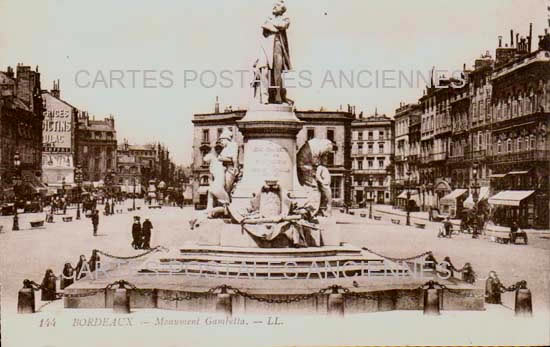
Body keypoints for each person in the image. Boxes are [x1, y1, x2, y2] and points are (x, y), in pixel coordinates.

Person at [253, 0, 292, 104]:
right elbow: (264, 25)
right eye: (274, 5)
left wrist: (272, 26)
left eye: (278, 5)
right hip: (265, 47)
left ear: (282, 10)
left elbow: (282, 25)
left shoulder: (286, 18)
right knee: (264, 71)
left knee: (277, 72)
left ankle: (278, 96)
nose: (274, 6)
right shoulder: (268, 18)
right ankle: (264, 97)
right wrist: (274, 27)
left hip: (278, 45)